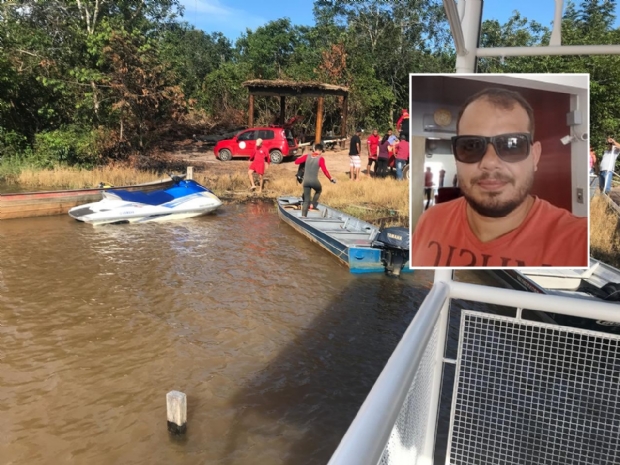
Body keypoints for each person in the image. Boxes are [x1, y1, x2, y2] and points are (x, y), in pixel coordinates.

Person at [410, 87, 588, 267]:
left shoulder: (578, 240)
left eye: (512, 145)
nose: (490, 162)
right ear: (456, 157)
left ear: (535, 156)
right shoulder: (430, 221)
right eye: (471, 146)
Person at [295, 143, 336, 217]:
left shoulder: (307, 156)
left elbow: (296, 162)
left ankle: (303, 216)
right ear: (320, 151)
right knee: (319, 190)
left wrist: (303, 160)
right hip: (314, 181)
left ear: (314, 149)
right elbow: (325, 171)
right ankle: (312, 204)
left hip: (306, 181)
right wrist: (330, 178)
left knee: (306, 200)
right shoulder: (320, 159)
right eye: (321, 151)